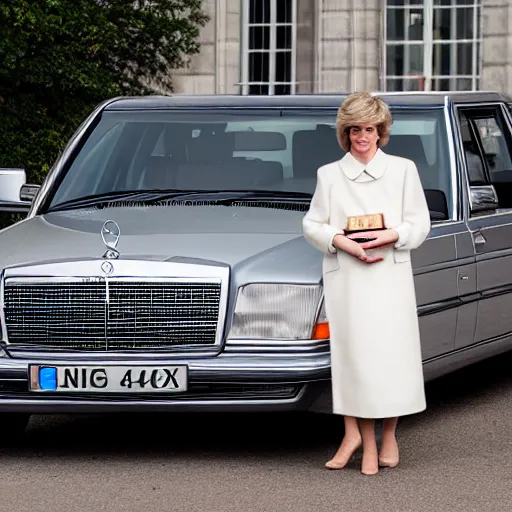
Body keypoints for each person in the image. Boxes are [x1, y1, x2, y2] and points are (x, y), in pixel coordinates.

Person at [302, 92, 431, 475]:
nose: (362, 137)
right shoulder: (329, 174)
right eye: (355, 129)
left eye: (370, 129)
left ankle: (387, 436)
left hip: (388, 274)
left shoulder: (404, 170)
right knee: (354, 358)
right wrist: (339, 241)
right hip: (349, 279)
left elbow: (419, 223)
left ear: (381, 132)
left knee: (391, 357)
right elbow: (313, 223)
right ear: (346, 133)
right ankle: (356, 436)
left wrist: (391, 235)